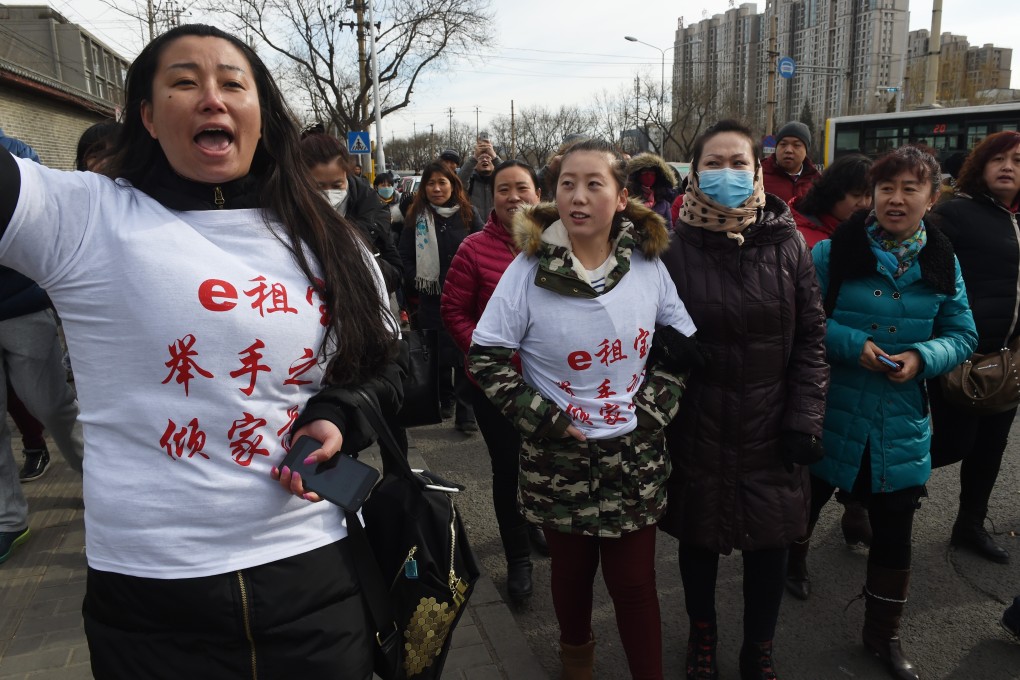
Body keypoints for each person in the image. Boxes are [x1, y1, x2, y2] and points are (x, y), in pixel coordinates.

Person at [0, 24, 400, 678]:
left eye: (233, 83)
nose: (212, 97)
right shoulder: (83, 216)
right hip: (151, 595)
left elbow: (385, 366)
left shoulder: (329, 239)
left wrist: (337, 415)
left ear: (262, 115)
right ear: (149, 119)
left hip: (312, 574)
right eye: (185, 82)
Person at [469, 139, 698, 680]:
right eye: (567, 183)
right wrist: (546, 420)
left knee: (636, 585)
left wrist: (652, 411)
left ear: (621, 198)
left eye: (594, 184)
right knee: (570, 580)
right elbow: (486, 358)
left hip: (633, 460)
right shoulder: (526, 271)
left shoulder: (646, 264)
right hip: (559, 462)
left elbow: (683, 343)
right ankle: (577, 666)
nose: (578, 195)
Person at [659, 119, 829, 680]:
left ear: (758, 171)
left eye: (739, 163)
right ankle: (701, 637)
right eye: (713, 163)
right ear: (692, 174)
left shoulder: (788, 246)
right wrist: (666, 349)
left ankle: (759, 647)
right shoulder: (666, 247)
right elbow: (638, 328)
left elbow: (811, 338)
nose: (727, 173)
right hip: (697, 424)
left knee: (771, 543)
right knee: (699, 541)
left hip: (771, 425)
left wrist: (805, 417)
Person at [809, 145, 976, 680]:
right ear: (870, 197)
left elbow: (963, 334)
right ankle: (791, 563)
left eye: (910, 189)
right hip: (830, 407)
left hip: (901, 420)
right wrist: (850, 343)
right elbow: (802, 322)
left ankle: (883, 636)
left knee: (895, 528)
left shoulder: (942, 260)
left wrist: (922, 357)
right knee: (805, 500)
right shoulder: (834, 253)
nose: (896, 199)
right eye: (886, 188)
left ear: (932, 198)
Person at [441, 160, 546, 606]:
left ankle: (538, 521)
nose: (514, 197)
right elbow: (454, 312)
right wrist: (489, 356)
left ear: (538, 193)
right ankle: (518, 559)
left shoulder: (561, 244)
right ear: (492, 197)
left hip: (552, 384)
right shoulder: (473, 249)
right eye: (504, 189)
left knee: (546, 466)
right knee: (509, 470)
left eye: (522, 187)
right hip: (496, 386)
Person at [930, 130, 1020, 564]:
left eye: (1018, 160)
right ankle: (871, 488)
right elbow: (925, 269)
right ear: (980, 166)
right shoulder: (957, 213)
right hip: (958, 355)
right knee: (953, 444)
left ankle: (969, 526)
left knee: (990, 449)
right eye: (998, 158)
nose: (1008, 166)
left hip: (1008, 360)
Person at [0, 129, 85, 565]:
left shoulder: (17, 155)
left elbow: (46, 225)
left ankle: (94, 478)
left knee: (52, 405)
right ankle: (7, 520)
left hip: (20, 305)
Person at [399, 161, 482, 432]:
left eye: (442, 182)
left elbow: (482, 249)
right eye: (431, 183)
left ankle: (466, 412)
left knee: (464, 353)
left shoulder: (469, 214)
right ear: (424, 188)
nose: (437, 188)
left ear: (453, 185)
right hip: (431, 299)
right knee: (436, 353)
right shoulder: (415, 218)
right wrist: (418, 281)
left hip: (464, 298)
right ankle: (443, 399)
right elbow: (404, 257)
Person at [299, 132, 403, 295]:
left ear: (346, 175)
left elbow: (395, 274)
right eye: (318, 186)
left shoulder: (373, 211)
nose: (328, 193)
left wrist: (356, 259)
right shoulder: (287, 215)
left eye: (336, 185)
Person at [789, 153, 873, 249]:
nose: (863, 203)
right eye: (856, 195)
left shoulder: (873, 234)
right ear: (833, 191)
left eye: (868, 195)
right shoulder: (801, 240)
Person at [761, 121, 819, 202]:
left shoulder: (817, 181)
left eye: (796, 145)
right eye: (783, 144)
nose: (788, 150)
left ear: (806, 150)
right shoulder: (759, 176)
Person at [626, 152, 676, 229]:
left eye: (652, 173)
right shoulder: (629, 199)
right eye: (645, 172)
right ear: (637, 175)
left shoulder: (663, 202)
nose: (649, 176)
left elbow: (669, 228)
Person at [458, 138, 502, 218]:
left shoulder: (500, 181)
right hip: (474, 228)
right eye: (481, 158)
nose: (485, 160)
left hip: (497, 227)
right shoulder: (470, 181)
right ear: (474, 164)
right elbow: (459, 181)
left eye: (489, 158)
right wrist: (474, 157)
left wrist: (495, 157)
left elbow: (510, 175)